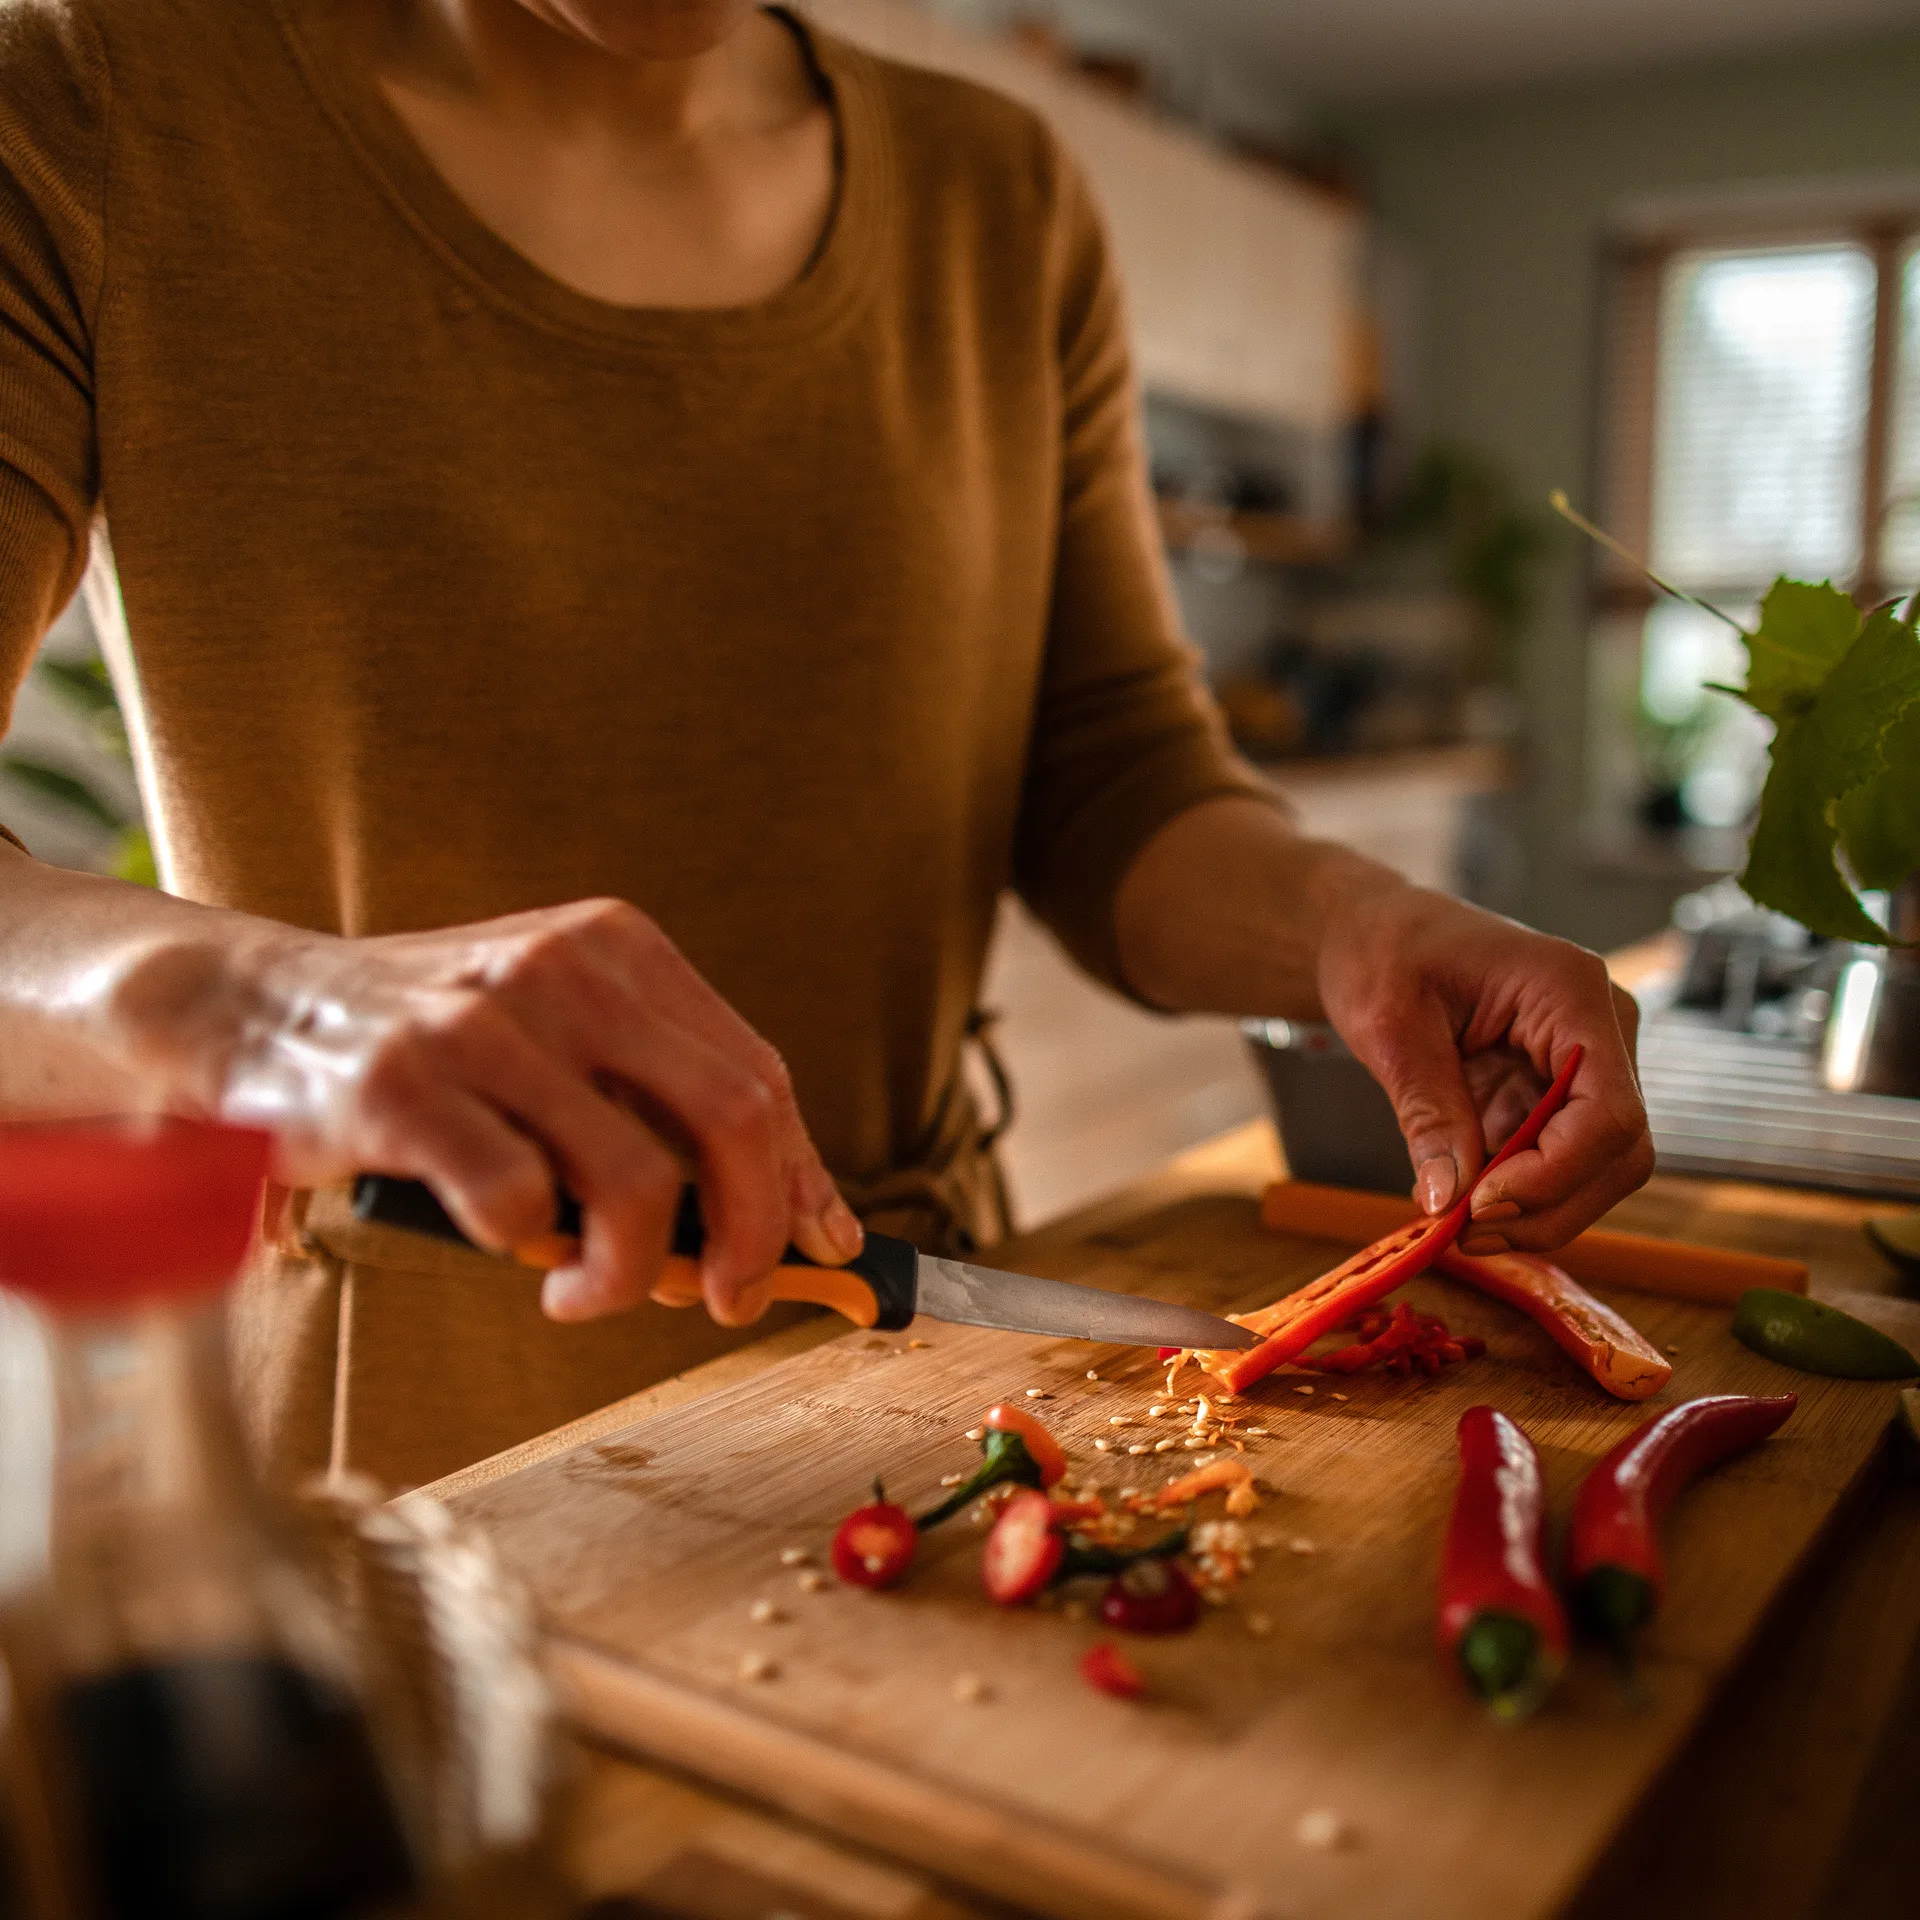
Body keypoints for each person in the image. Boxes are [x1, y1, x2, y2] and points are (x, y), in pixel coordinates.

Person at [0, 0, 1653, 1488]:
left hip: (928, 1385)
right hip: (410, 1455)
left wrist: (1352, 924)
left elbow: (1110, 768)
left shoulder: (997, 194)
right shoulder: (88, 107)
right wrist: (275, 1010)